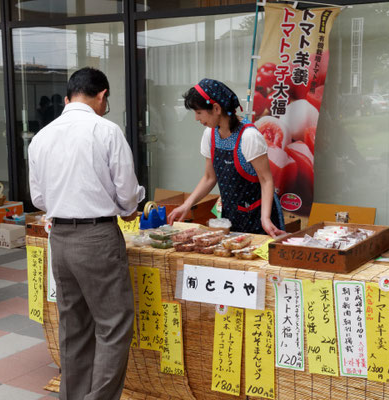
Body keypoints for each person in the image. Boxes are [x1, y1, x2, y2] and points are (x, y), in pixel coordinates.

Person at [28, 67, 145, 400]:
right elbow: (126, 195)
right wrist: (131, 205)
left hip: (60, 238)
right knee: (114, 325)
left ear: (69, 96)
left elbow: (39, 198)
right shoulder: (105, 130)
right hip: (97, 237)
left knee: (74, 327)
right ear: (102, 95)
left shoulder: (42, 136)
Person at [167, 78, 285, 237]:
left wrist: (265, 218)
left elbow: (266, 179)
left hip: (260, 217)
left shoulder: (249, 136)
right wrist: (187, 205)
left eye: (199, 112)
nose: (196, 118)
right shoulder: (210, 134)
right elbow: (209, 177)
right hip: (231, 217)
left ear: (216, 108)